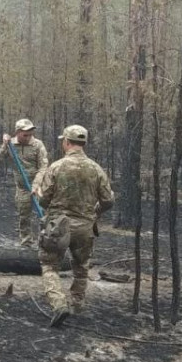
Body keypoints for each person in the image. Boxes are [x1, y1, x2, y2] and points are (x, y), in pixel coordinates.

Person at [33, 124, 114, 327]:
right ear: (83, 143)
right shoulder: (96, 169)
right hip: (85, 227)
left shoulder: (57, 167)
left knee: (49, 265)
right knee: (81, 267)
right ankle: (77, 304)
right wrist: (94, 213)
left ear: (67, 143)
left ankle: (59, 304)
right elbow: (108, 200)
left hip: (58, 226)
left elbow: (44, 201)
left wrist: (39, 195)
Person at [0, 118, 49, 246]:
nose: (28, 137)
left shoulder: (38, 145)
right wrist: (4, 146)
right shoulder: (10, 145)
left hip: (39, 186)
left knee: (44, 214)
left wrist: (36, 185)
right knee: (24, 215)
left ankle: (45, 242)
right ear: (17, 132)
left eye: (30, 134)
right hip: (22, 187)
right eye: (25, 134)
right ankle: (26, 242)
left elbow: (44, 167)